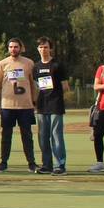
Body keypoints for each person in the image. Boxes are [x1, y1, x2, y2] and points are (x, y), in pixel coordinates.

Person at [0, 39, 39, 173]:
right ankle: (3, 162)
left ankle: (31, 163)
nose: (13, 49)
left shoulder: (29, 63)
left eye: (16, 47)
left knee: (27, 136)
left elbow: (32, 84)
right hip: (7, 106)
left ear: (21, 48)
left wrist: (34, 101)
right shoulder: (3, 64)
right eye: (11, 47)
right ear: (8, 48)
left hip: (25, 106)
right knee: (6, 135)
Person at [34, 37, 69, 174]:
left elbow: (65, 86)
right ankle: (46, 165)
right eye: (41, 47)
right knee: (43, 136)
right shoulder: (36, 67)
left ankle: (60, 165)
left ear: (50, 48)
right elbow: (35, 86)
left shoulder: (57, 65)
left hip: (55, 105)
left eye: (46, 47)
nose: (43, 50)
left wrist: (54, 92)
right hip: (42, 106)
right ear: (38, 49)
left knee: (56, 135)